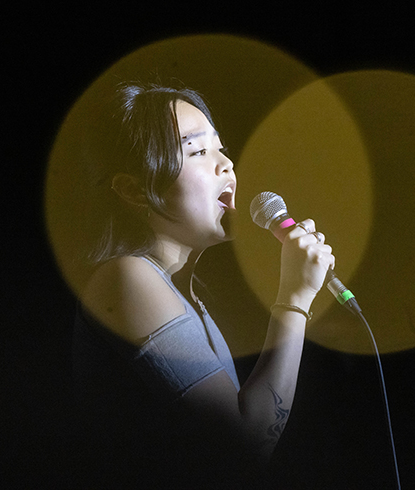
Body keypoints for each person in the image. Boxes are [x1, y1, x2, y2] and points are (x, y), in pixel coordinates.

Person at [71, 81, 335, 488]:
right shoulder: (126, 277)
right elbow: (244, 448)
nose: (226, 164)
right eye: (197, 151)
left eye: (220, 147)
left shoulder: (186, 296)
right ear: (133, 190)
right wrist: (294, 298)